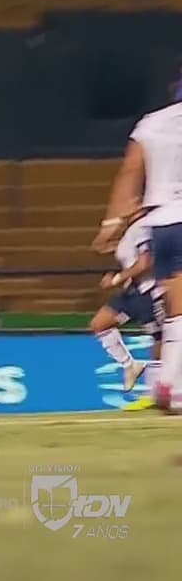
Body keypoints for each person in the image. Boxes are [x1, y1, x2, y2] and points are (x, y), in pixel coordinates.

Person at [93, 73, 182, 411]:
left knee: (177, 310)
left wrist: (111, 223)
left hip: (162, 224)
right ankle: (172, 386)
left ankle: (169, 385)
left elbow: (130, 171)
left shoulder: (151, 123)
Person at [89, 209, 159, 395]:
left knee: (161, 342)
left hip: (149, 292)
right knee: (100, 323)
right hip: (133, 293)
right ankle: (130, 365)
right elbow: (101, 246)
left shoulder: (144, 226)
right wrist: (110, 229)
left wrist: (117, 279)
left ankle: (160, 390)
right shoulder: (130, 230)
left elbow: (145, 263)